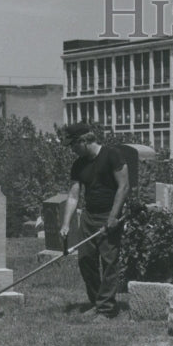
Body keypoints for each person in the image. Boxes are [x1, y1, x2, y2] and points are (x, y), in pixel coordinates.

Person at [60, 122, 130, 320]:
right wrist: (66, 224)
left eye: (73, 145)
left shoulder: (112, 155)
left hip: (110, 213)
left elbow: (123, 187)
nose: (72, 150)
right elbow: (73, 196)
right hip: (89, 215)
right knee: (85, 260)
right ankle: (96, 301)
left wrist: (113, 217)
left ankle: (106, 308)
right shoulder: (78, 164)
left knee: (109, 261)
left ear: (83, 141)